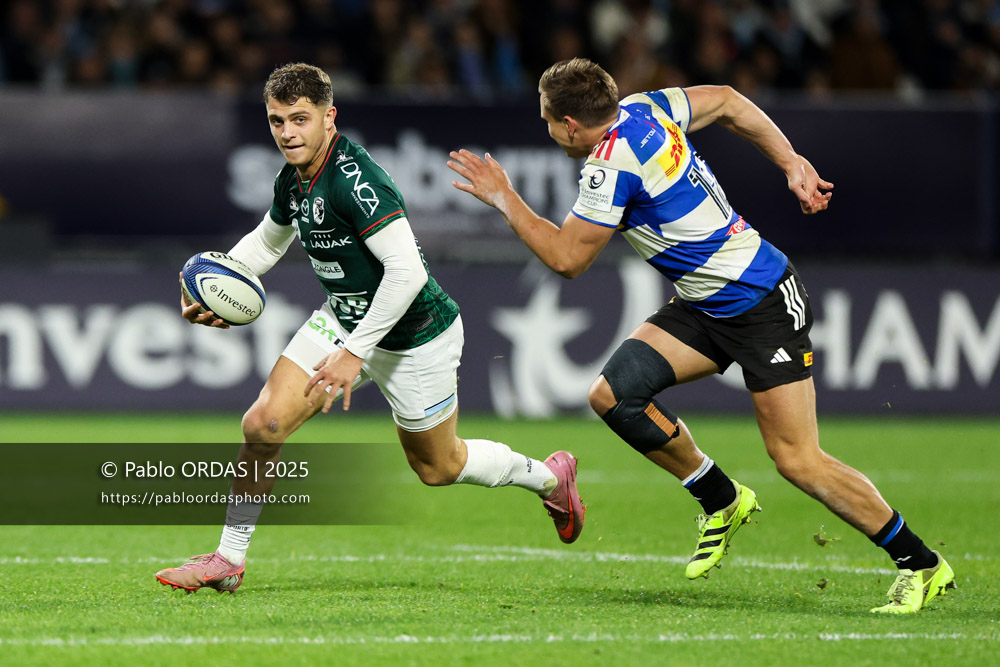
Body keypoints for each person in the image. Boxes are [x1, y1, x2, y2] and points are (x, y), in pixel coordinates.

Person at [447, 57, 954, 614]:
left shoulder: (609, 164)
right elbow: (730, 100)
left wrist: (503, 197)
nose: (546, 130)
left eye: (547, 120)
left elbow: (568, 260)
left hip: (760, 303)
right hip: (705, 304)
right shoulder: (646, 108)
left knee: (798, 459)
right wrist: (791, 162)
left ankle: (921, 563)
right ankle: (722, 497)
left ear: (569, 124)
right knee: (613, 396)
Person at [155, 63, 585, 594]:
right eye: (276, 121)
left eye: (299, 119)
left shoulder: (356, 182)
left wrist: (355, 352)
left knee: (438, 467)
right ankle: (229, 559)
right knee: (262, 425)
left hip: (414, 334)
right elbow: (267, 243)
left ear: (328, 118)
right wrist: (214, 279)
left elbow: (408, 273)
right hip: (346, 316)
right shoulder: (293, 177)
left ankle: (548, 478)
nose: (287, 133)